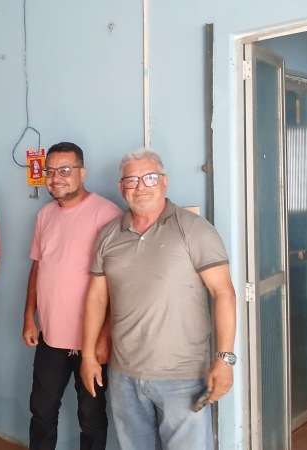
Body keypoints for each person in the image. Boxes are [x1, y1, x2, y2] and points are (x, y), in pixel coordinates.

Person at [80, 148, 237, 450]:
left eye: (150, 177)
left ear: (164, 181)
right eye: (132, 180)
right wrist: (88, 357)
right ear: (121, 187)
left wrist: (225, 359)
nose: (140, 186)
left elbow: (224, 293)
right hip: (124, 375)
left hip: (183, 377)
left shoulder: (194, 230)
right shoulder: (109, 235)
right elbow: (97, 299)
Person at [22, 142, 122, 450]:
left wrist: (105, 336)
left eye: (65, 170)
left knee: (91, 417)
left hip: (90, 342)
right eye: (50, 171)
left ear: (82, 172)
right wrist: (29, 317)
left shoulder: (108, 214)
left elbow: (120, 283)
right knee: (41, 411)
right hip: (51, 337)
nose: (56, 178)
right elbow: (38, 268)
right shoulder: (45, 215)